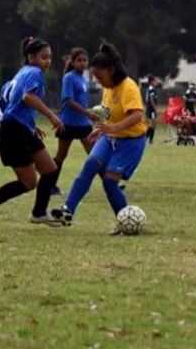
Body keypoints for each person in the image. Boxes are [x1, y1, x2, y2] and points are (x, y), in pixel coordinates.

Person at [51, 42, 148, 234]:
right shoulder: (108, 88)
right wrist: (100, 130)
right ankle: (67, 211)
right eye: (96, 77)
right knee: (90, 166)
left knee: (110, 181)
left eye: (101, 76)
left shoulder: (128, 86)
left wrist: (114, 127)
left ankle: (124, 222)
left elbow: (137, 115)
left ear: (111, 70)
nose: (99, 81)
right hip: (110, 137)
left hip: (131, 141)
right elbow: (108, 114)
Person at [0, 37, 65, 230]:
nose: (47, 61)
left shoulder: (20, 74)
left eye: (50, 57)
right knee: (29, 183)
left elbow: (6, 102)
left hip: (21, 128)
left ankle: (39, 213)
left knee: (50, 169)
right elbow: (27, 97)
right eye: (43, 57)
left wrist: (29, 123)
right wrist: (51, 116)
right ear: (31, 57)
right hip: (14, 131)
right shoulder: (35, 72)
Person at [42, 48, 98, 203]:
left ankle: (111, 183)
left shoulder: (84, 79)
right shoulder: (69, 77)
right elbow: (68, 100)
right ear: (73, 62)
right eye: (79, 60)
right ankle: (50, 185)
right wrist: (87, 113)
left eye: (84, 60)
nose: (82, 63)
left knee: (94, 153)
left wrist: (89, 114)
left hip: (83, 124)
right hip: (68, 123)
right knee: (61, 156)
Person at [145, 75, 161, 143]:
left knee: (153, 125)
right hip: (151, 110)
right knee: (152, 125)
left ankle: (150, 140)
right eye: (155, 81)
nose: (157, 82)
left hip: (151, 109)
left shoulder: (151, 89)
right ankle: (145, 139)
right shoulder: (151, 89)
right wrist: (155, 109)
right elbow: (151, 100)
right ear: (151, 82)